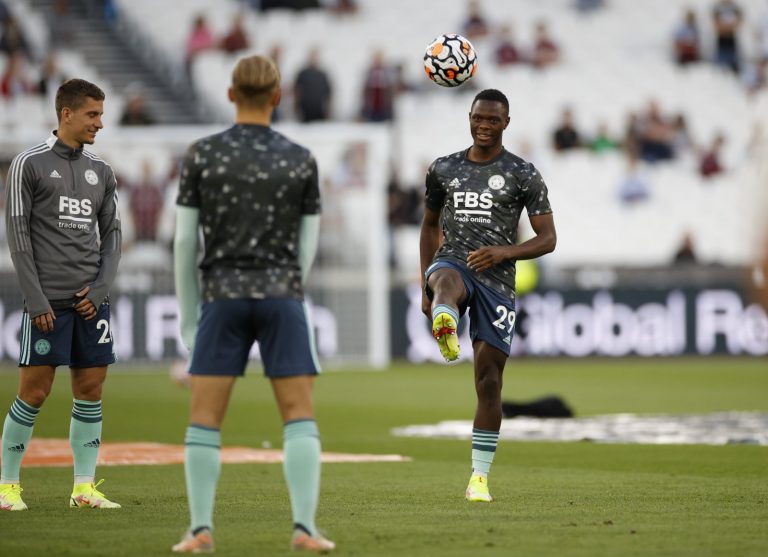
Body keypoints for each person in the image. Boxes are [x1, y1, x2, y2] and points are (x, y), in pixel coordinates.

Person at [171, 54, 334, 553]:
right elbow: (308, 245)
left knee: (205, 419)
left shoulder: (201, 154)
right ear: (279, 97)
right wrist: (289, 288)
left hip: (221, 297)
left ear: (230, 95)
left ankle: (200, 530)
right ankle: (304, 530)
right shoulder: (300, 157)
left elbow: (182, 242)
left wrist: (188, 318)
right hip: (282, 296)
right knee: (298, 416)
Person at [419, 89, 556, 503]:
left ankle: (479, 478)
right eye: (478, 117)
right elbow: (428, 227)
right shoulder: (443, 169)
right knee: (446, 280)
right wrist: (422, 286)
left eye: (492, 120)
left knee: (489, 382)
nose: (484, 125)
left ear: (505, 123)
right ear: (469, 117)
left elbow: (548, 239)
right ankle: (446, 315)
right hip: (454, 262)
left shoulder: (523, 174)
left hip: (497, 280)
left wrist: (505, 251)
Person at [0, 78, 122, 511]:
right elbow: (18, 237)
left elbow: (113, 237)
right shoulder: (28, 164)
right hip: (47, 302)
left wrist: (101, 287)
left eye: (101, 115)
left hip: (92, 302)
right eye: (92, 115)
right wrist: (35, 300)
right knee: (34, 392)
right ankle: (7, 487)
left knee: (91, 389)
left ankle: (84, 488)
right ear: (65, 113)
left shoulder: (101, 171)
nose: (100, 124)